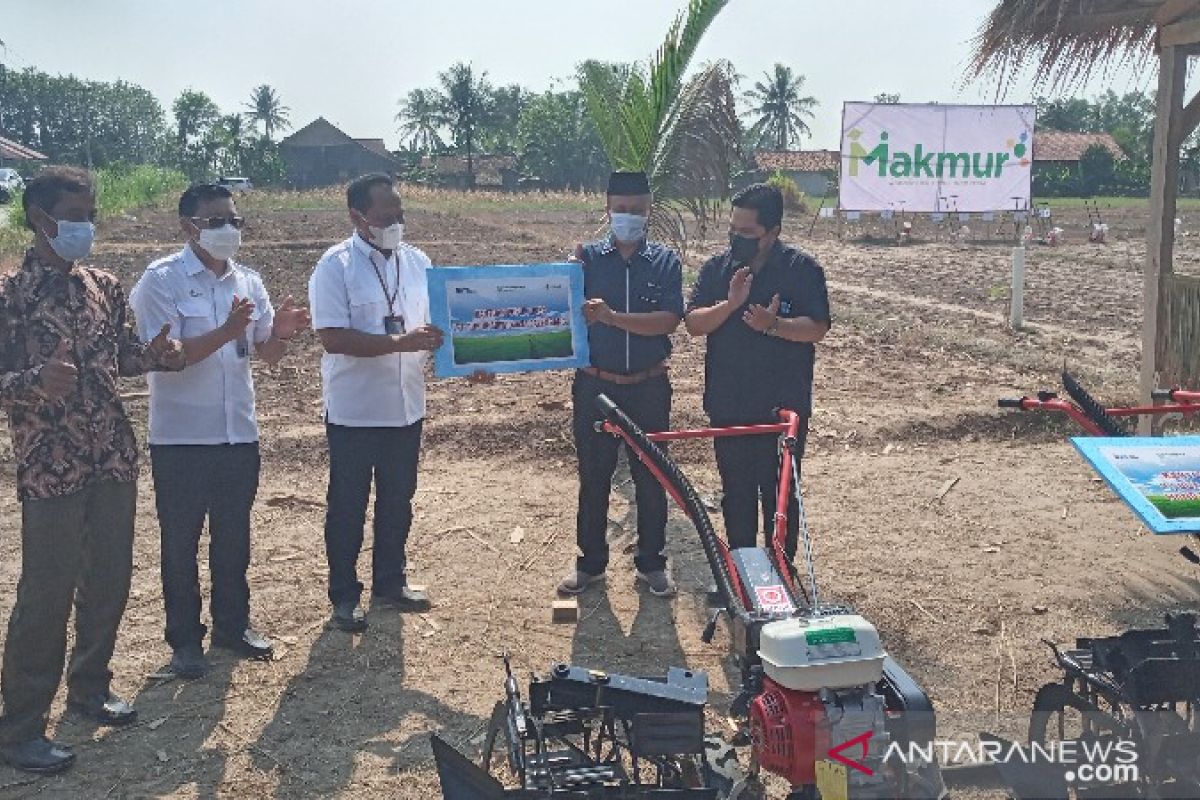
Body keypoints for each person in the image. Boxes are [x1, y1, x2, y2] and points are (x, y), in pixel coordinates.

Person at [0, 166, 185, 774]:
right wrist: (34, 382)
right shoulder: (10, 296)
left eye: (91, 214)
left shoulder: (103, 285)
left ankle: (89, 689)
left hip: (111, 456)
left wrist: (155, 356)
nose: (87, 225)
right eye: (76, 215)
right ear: (41, 218)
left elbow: (123, 357)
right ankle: (23, 727)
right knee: (46, 593)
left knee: (107, 580)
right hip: (50, 467)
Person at [129, 184, 311, 679]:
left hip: (238, 436)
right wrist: (229, 331)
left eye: (233, 219)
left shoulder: (249, 281)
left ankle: (233, 625)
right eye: (215, 221)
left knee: (233, 537)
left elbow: (265, 353)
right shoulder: (160, 281)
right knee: (181, 542)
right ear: (187, 225)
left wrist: (284, 334)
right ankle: (185, 641)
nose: (228, 229)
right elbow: (168, 359)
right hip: (182, 439)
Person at [309, 173, 490, 632]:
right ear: (358, 217)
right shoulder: (335, 266)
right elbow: (332, 338)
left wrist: (469, 363)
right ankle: (344, 595)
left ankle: (390, 581)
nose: (396, 222)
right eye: (387, 216)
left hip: (406, 407)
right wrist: (399, 342)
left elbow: (434, 332)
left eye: (400, 213)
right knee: (347, 505)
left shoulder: (417, 263)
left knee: (398, 500)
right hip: (354, 411)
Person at [684, 183, 831, 560]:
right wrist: (730, 305)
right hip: (729, 401)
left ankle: (782, 571)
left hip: (783, 407)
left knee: (781, 494)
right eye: (733, 230)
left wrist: (772, 325)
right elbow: (694, 324)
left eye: (748, 233)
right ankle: (743, 571)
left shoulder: (802, 270)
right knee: (736, 491)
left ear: (774, 232)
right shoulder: (718, 270)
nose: (737, 238)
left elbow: (817, 327)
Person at [557, 171, 684, 599]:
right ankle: (590, 564)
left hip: (648, 386)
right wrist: (562, 283)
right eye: (621, 209)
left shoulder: (665, 262)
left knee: (652, 477)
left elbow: (668, 321)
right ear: (607, 208)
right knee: (594, 477)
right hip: (595, 387)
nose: (628, 216)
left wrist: (612, 317)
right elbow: (559, 313)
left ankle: (651, 563)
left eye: (637, 210)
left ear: (649, 210)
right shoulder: (586, 260)